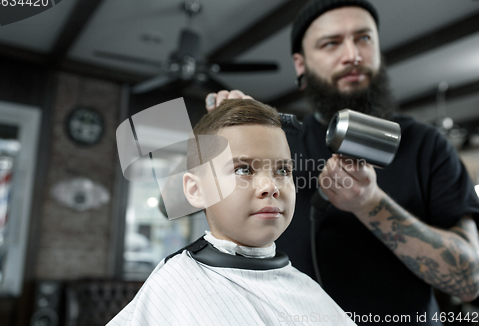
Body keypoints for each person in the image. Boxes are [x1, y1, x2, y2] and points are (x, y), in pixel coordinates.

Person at [205, 0, 479, 325]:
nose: (352, 55)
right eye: (331, 43)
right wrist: (233, 138)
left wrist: (370, 204)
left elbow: (469, 282)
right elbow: (183, 207)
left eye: (364, 39)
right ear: (301, 64)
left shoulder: (427, 146)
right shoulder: (280, 144)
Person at [107, 99, 357, 325]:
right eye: (243, 170)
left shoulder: (306, 289)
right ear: (195, 190)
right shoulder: (173, 285)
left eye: (282, 171)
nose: (270, 186)